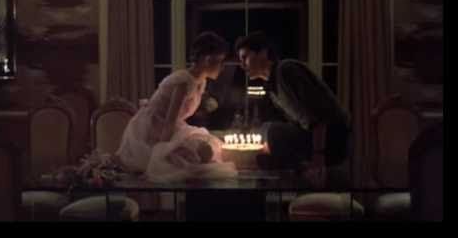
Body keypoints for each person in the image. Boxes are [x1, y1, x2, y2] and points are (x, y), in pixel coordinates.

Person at [117, 31, 237, 182]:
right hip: (153, 130)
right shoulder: (183, 82)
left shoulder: (201, 80)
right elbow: (169, 121)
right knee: (193, 157)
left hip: (172, 126)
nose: (222, 67)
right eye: (220, 61)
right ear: (207, 59)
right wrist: (160, 152)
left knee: (209, 149)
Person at [234, 31, 350, 181]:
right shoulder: (272, 87)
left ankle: (299, 168)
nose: (242, 65)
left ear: (263, 52)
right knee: (265, 141)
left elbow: (317, 118)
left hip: (332, 138)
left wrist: (318, 158)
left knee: (271, 131)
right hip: (312, 137)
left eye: (245, 57)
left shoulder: (286, 70)